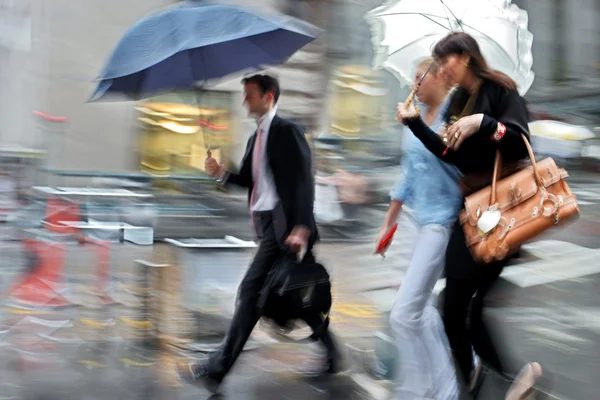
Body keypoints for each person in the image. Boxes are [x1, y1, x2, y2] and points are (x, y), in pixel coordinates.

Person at [396, 32, 544, 399]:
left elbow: (519, 138)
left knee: (464, 309)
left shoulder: (500, 91)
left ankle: (498, 382)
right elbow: (452, 156)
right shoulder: (459, 101)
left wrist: (483, 123)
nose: (441, 69)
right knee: (457, 311)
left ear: (463, 57)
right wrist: (415, 123)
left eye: (444, 61)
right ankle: (491, 383)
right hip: (473, 214)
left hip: (503, 212)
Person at [178, 74, 341, 393]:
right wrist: (220, 173)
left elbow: (303, 182)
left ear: (268, 97)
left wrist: (302, 226)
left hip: (286, 229)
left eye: (249, 94)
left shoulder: (287, 131)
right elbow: (250, 181)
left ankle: (217, 368)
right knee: (295, 296)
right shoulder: (256, 139)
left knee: (250, 293)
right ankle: (333, 354)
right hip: (268, 226)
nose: (244, 101)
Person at [376, 57, 461, 399]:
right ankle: (439, 389)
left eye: (418, 77)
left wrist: (426, 131)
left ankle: (423, 390)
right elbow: (407, 175)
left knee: (402, 315)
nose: (413, 83)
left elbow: (460, 168)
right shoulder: (413, 120)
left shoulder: (453, 119)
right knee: (421, 311)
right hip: (415, 221)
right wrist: (388, 223)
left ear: (440, 78)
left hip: (441, 223)